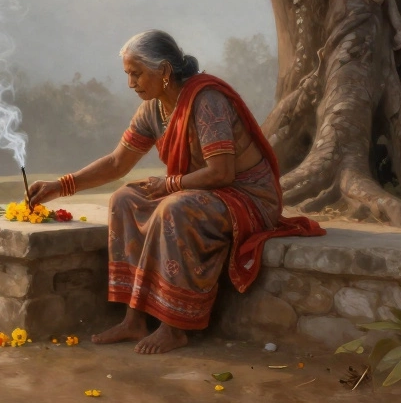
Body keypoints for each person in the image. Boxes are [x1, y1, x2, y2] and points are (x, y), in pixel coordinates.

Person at [28, 30, 323, 354]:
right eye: (128, 74)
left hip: (247, 195)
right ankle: (134, 320)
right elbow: (116, 163)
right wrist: (61, 185)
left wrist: (169, 185)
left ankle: (174, 328)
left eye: (136, 74)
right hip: (206, 191)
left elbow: (222, 172)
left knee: (174, 208)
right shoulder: (153, 110)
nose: (131, 83)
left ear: (165, 71)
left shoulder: (207, 101)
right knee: (125, 199)